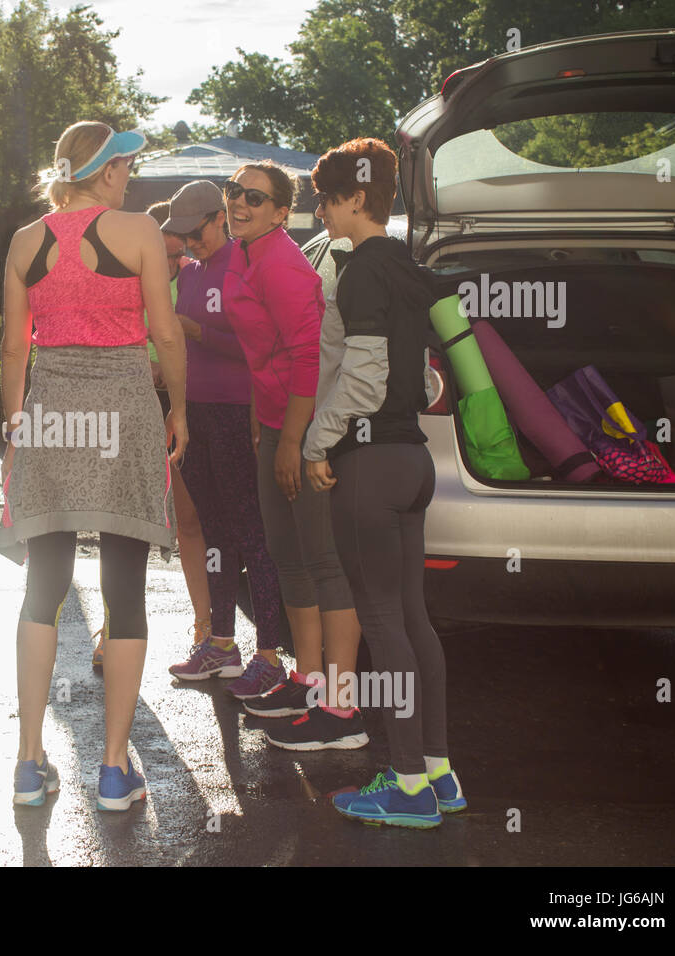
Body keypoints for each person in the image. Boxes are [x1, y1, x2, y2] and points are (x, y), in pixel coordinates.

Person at [0, 121, 188, 811]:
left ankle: (27, 763)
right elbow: (165, 331)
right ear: (104, 172)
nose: (131, 176)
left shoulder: (27, 241)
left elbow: (15, 347)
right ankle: (113, 769)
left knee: (42, 587)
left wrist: (15, 427)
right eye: (126, 165)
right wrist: (182, 408)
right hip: (124, 410)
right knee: (125, 589)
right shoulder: (137, 230)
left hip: (49, 412)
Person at [303, 138, 464, 827]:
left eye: (327, 197)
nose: (321, 209)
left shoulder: (363, 270)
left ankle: (403, 786)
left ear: (356, 199)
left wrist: (317, 440)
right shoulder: (410, 268)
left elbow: (364, 377)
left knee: (382, 625)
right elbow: (418, 375)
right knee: (413, 621)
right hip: (414, 462)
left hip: (369, 467)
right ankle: (437, 772)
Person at [220, 160, 367, 751]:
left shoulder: (281, 262)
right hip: (275, 419)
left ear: (283, 212)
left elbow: (309, 356)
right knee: (287, 554)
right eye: (234, 192)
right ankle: (307, 681)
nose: (239, 204)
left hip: (309, 426)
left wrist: (292, 441)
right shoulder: (242, 252)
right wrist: (264, 422)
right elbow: (262, 355)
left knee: (324, 559)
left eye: (254, 198)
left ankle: (342, 707)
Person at [159, 181, 289, 698]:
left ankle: (271, 654)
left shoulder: (247, 261)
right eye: (182, 238)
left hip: (240, 413)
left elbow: (266, 346)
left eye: (197, 234)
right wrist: (178, 408)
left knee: (252, 533)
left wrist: (197, 333)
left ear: (219, 219)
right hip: (197, 415)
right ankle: (220, 644)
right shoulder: (190, 272)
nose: (190, 245)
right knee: (215, 534)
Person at [92, 200, 207, 671]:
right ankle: (113, 625)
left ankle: (206, 630)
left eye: (180, 255)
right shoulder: (121, 276)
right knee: (120, 522)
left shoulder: (198, 278)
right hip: (129, 402)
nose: (174, 263)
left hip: (184, 405)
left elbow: (209, 338)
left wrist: (173, 374)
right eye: (166, 254)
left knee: (189, 521)